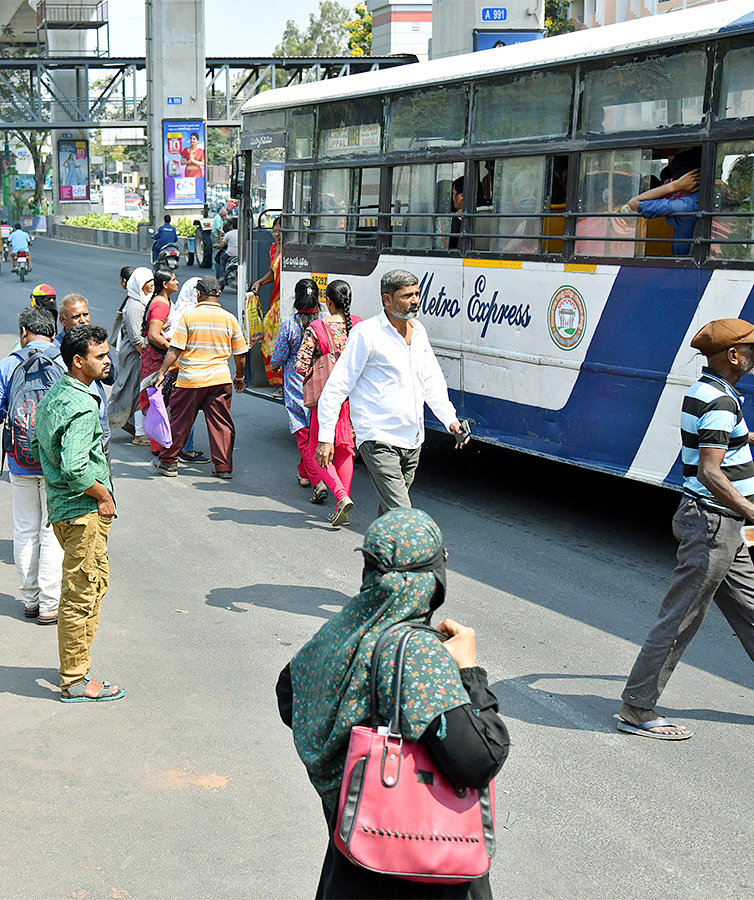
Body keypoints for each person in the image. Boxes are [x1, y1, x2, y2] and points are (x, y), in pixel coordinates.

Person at [277, 508, 509, 900]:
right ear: (433, 577)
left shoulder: (346, 627)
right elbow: (479, 759)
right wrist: (470, 671)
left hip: (351, 850)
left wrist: (348, 751)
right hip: (414, 865)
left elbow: (290, 696)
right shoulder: (418, 651)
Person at [618, 318, 754, 740]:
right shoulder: (721, 401)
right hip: (712, 524)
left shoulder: (710, 390)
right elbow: (711, 472)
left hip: (720, 525)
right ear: (732, 355)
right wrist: (751, 510)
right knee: (680, 619)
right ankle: (637, 706)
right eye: (751, 349)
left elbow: (716, 446)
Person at [316, 269, 467, 516]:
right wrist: (325, 437)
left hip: (413, 440)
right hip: (378, 438)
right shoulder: (366, 334)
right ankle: (425, 555)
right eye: (407, 295)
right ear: (387, 299)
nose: (415, 300)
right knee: (402, 514)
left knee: (390, 516)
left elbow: (432, 380)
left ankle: (379, 554)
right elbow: (336, 387)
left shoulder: (418, 331)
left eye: (417, 294)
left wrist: (450, 420)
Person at [34, 324, 123, 702]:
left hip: (61, 508)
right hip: (81, 510)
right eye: (100, 356)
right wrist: (102, 496)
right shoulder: (83, 405)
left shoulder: (57, 393)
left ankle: (78, 665)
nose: (107, 361)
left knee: (88, 587)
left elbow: (45, 450)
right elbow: (74, 467)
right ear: (77, 361)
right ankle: (74, 679)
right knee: (81, 594)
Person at [0, 309, 65, 624]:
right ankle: (49, 604)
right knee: (51, 533)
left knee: (26, 530)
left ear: (24, 330)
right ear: (53, 333)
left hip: (20, 461)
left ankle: (29, 601)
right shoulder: (66, 362)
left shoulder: (8, 364)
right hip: (57, 463)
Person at [153, 275, 248, 479]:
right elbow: (240, 354)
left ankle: (168, 461)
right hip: (220, 380)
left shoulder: (189, 316)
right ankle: (223, 467)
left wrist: (162, 372)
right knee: (221, 424)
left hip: (191, 380)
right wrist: (239, 376)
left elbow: (175, 350)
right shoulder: (230, 318)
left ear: (198, 294)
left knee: (180, 422)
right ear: (219, 294)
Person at [297, 280, 363, 527]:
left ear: (329, 301)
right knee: (345, 451)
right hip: (353, 398)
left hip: (327, 399)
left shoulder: (317, 327)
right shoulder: (360, 325)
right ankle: (340, 507)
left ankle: (340, 496)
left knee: (316, 450)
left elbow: (300, 365)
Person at [140, 269, 204, 461]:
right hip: (158, 359)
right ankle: (160, 445)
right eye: (174, 280)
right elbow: (154, 335)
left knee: (163, 402)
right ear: (165, 285)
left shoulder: (166, 302)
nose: (177, 282)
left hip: (163, 358)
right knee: (160, 402)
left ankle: (162, 443)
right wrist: (173, 349)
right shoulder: (160, 305)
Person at [269, 278, 325, 498]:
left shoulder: (289, 324)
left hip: (296, 387)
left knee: (304, 437)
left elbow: (278, 357)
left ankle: (318, 481)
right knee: (315, 433)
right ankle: (304, 473)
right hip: (323, 384)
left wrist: (274, 365)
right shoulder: (325, 321)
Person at [56, 293, 115, 459]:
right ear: (63, 320)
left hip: (100, 426)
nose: (82, 320)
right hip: (73, 428)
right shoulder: (55, 349)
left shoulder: (95, 341)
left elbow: (112, 377)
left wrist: (99, 356)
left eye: (85, 314)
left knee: (104, 479)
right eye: (76, 316)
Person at [627, 149, 702, 257]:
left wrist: (675, 186)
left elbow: (634, 203)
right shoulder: (713, 198)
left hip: (683, 265)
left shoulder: (684, 206)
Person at [116, 267, 155, 444]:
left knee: (138, 391)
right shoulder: (134, 305)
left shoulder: (143, 300)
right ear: (139, 283)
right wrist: (148, 357)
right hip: (135, 355)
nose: (152, 284)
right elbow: (136, 338)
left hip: (141, 354)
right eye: (148, 282)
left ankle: (133, 425)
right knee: (138, 391)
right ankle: (139, 433)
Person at [108, 266, 143, 438]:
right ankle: (115, 419)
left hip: (128, 350)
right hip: (132, 352)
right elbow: (136, 337)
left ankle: (127, 422)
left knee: (130, 387)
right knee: (130, 387)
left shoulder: (134, 298)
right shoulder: (134, 304)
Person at [249, 217, 285, 389]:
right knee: (268, 341)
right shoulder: (273, 249)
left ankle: (284, 382)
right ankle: (276, 381)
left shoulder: (291, 249)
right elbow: (272, 272)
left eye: (280, 231)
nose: (276, 235)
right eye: (274, 231)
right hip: (276, 302)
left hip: (286, 302)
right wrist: (260, 282)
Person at [215, 218, 238, 282]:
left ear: (231, 226)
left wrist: (216, 245)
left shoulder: (228, 234)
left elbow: (222, 245)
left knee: (222, 258)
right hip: (241, 254)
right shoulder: (243, 233)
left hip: (230, 254)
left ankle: (223, 275)